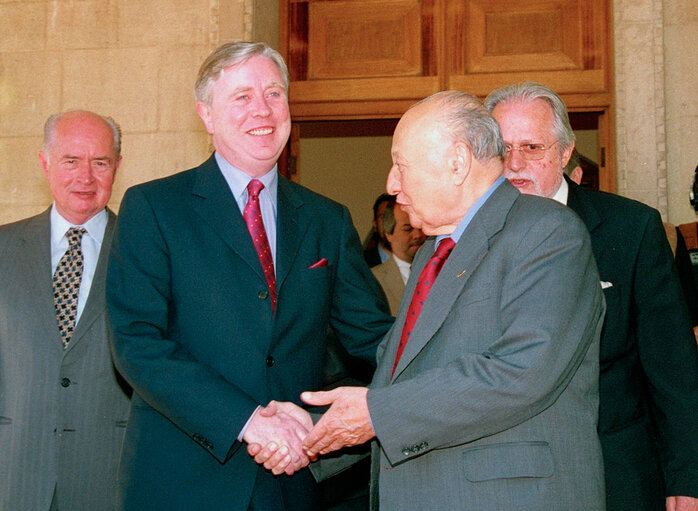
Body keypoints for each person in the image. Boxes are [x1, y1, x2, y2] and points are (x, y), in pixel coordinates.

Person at [105, 41, 393, 511]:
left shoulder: (327, 219)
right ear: (206, 114)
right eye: (242, 96)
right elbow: (137, 343)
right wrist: (249, 422)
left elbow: (375, 341)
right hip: (184, 480)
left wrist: (437, 388)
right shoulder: (154, 208)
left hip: (294, 480)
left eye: (274, 93)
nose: (262, 109)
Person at [291, 90, 607, 510]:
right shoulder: (432, 253)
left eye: (401, 165)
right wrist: (309, 430)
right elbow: (403, 385)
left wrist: (373, 413)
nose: (391, 184)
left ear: (458, 162)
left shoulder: (547, 232)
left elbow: (521, 371)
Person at [485, 81, 698, 511]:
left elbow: (673, 370)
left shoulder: (631, 230)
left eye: (532, 147)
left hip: (613, 474)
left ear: (565, 154)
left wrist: (687, 478)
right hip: (503, 477)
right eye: (503, 148)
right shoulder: (469, 235)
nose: (515, 164)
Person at [0, 110, 131, 510]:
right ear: (45, 163)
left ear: (117, 167)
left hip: (110, 477)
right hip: (15, 475)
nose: (85, 177)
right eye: (71, 161)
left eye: (100, 163)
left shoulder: (145, 252)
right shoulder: (4, 248)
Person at [371, 198, 426, 314]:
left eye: (420, 227)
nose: (417, 235)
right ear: (388, 234)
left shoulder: (444, 269)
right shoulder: (373, 279)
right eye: (408, 229)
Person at [363, 193, 393, 267]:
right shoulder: (360, 262)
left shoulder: (417, 261)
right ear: (375, 224)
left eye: (393, 216)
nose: (388, 222)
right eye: (383, 216)